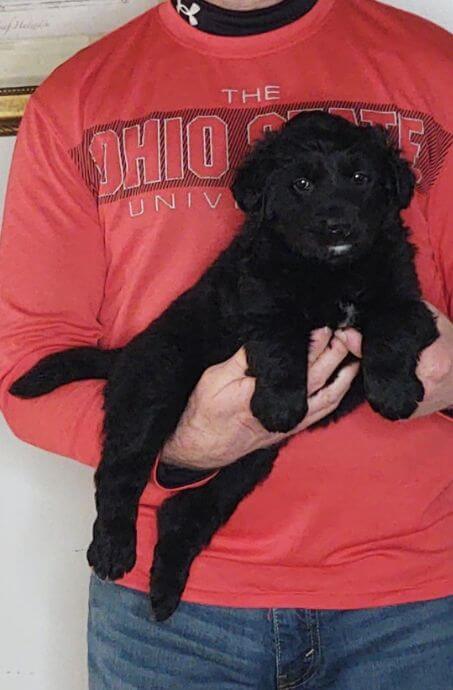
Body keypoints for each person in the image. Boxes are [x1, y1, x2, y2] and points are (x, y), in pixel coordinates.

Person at [0, 0, 452, 687]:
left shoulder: (433, 65)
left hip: (416, 602)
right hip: (169, 621)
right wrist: (179, 442)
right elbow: (24, 361)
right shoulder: (78, 94)